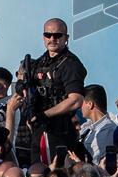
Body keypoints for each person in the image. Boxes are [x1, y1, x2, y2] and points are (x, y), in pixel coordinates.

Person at [19, 18, 88, 163]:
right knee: (36, 173)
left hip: (60, 132)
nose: (52, 39)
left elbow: (76, 100)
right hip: (38, 130)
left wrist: (45, 115)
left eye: (57, 35)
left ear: (66, 38)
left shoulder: (71, 65)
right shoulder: (38, 63)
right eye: (48, 35)